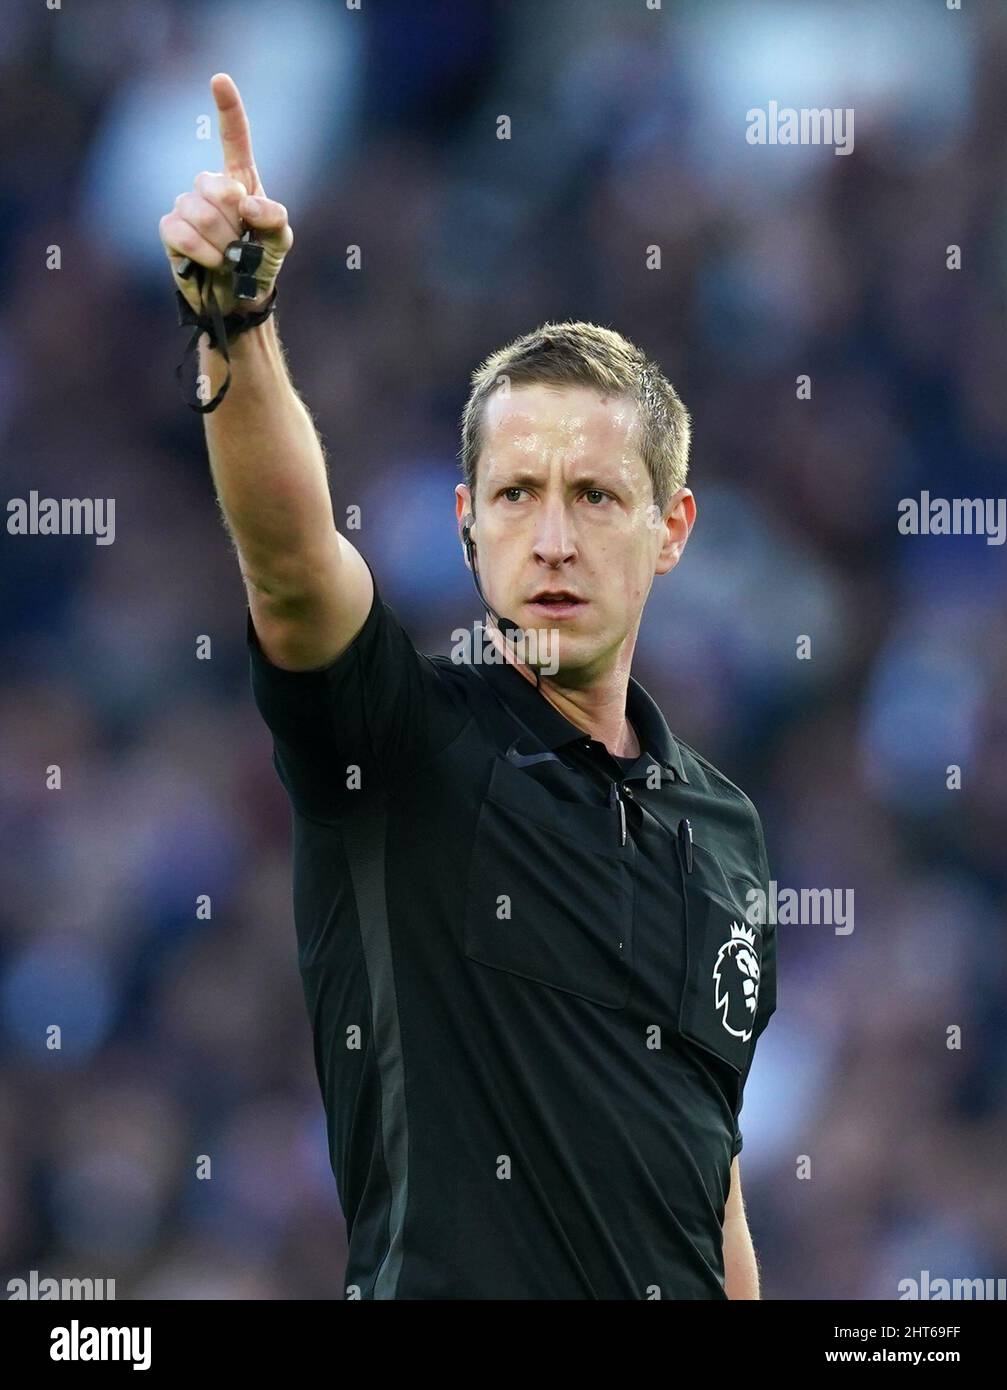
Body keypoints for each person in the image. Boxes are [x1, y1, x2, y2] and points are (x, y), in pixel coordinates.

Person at [160, 73, 777, 1301]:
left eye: (594, 496)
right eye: (514, 496)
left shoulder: (726, 834)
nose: (551, 538)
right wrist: (239, 327)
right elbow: (289, 565)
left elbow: (709, 1190)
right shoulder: (397, 740)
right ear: (463, 527)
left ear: (671, 530)